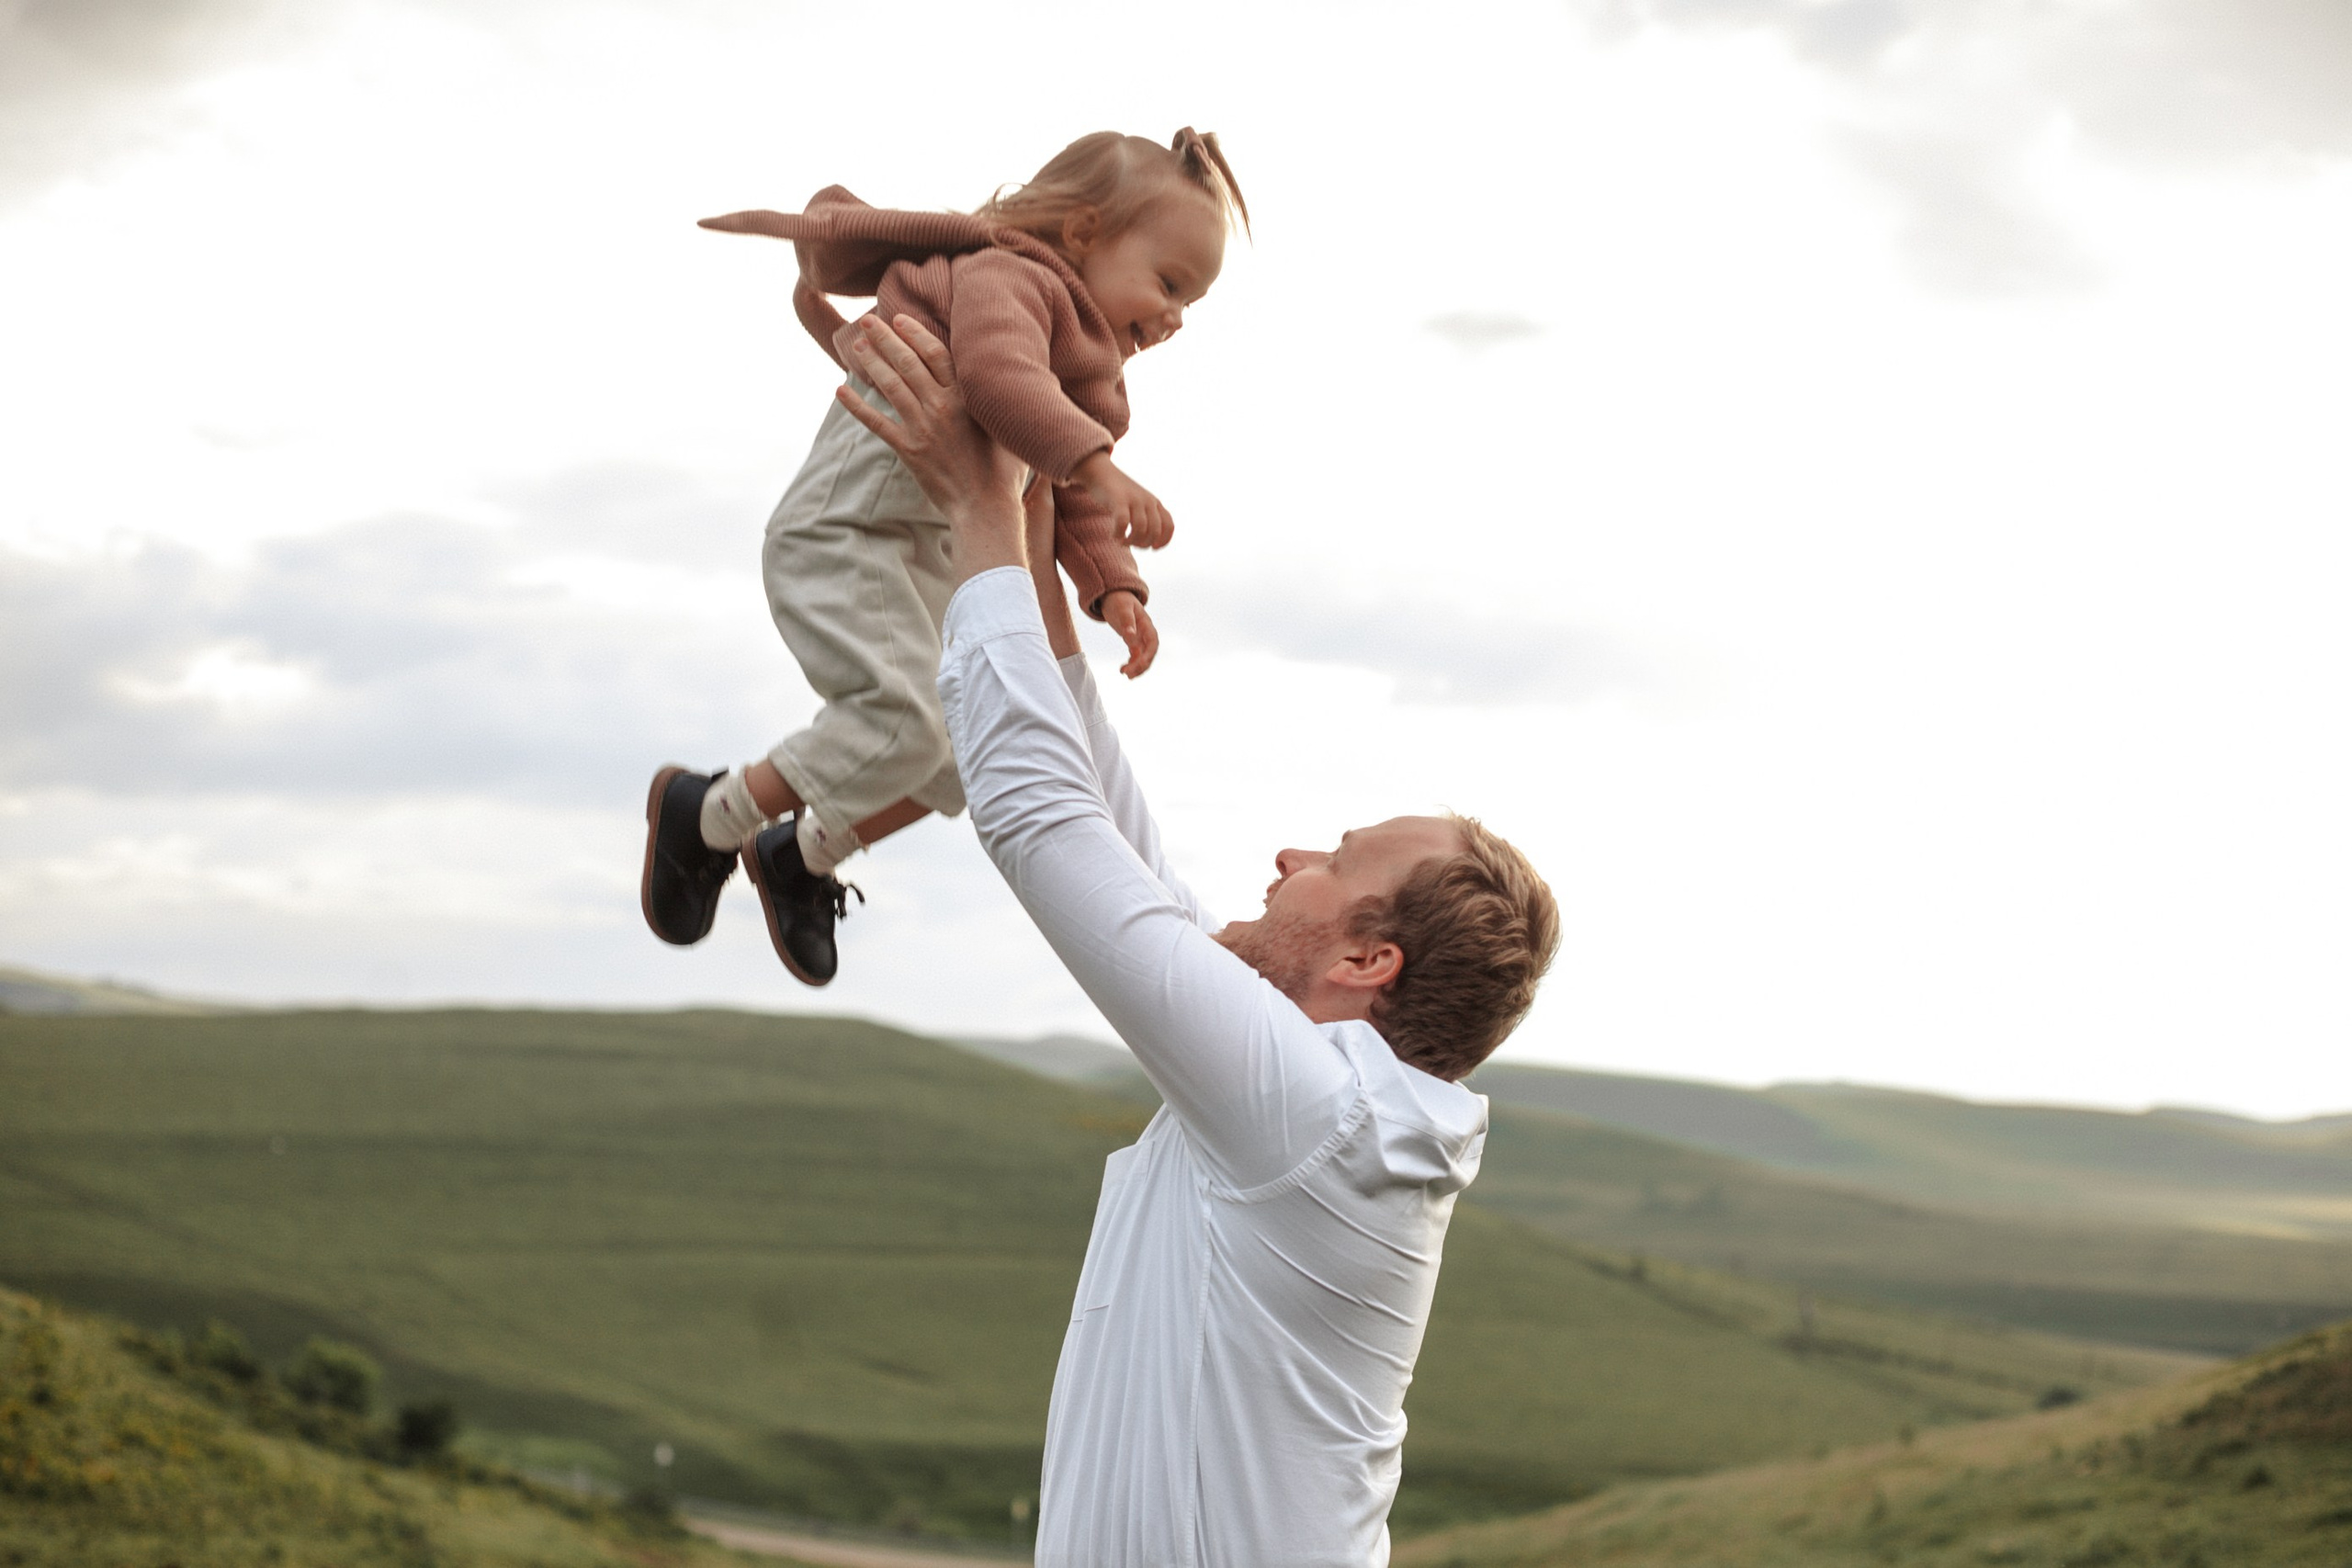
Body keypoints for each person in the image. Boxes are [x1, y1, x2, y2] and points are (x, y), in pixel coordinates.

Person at [834, 311, 1561, 1568]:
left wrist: (974, 494)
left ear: (1363, 962)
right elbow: (1110, 834)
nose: (1290, 859)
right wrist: (1038, 527)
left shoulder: (1324, 1119)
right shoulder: (1316, 1109)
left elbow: (1046, 825)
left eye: (1334, 860)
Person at [639, 129, 1249, 987]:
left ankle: (799, 856)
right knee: (903, 724)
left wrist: (1114, 587)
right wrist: (1099, 463)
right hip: (843, 534)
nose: (1177, 315)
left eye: (1193, 301)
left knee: (972, 750)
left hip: (914, 555)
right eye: (1169, 282)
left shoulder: (1087, 370)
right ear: (1083, 234)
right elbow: (1003, 381)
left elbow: (1062, 493)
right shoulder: (1011, 276)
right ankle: (704, 815)